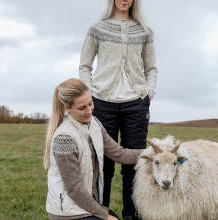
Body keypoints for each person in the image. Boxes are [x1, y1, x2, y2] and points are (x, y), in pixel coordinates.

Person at [79, 0, 157, 219]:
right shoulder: (98, 28)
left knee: (134, 164)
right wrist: (90, 93)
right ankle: (100, 213)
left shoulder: (144, 31)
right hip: (103, 102)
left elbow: (151, 68)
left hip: (136, 104)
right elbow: (84, 65)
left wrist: (148, 94)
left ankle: (132, 214)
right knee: (103, 163)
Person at [43, 78, 143, 220]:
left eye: (90, 104)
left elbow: (120, 154)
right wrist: (105, 216)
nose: (89, 111)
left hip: (86, 206)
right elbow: (74, 189)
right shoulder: (64, 138)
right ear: (67, 108)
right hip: (68, 212)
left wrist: (153, 153)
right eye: (82, 108)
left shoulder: (94, 124)